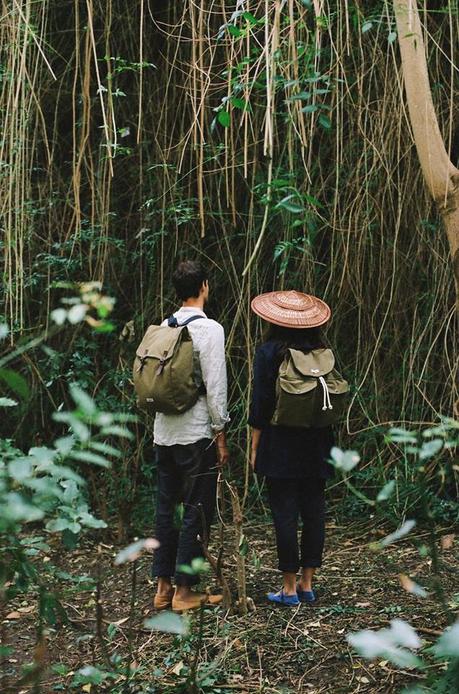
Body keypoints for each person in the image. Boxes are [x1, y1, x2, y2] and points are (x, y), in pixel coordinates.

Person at [152, 260, 230, 612]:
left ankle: (163, 587)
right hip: (197, 434)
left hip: (162, 433)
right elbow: (215, 388)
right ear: (204, 287)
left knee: (165, 508)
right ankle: (185, 591)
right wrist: (222, 434)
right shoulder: (210, 330)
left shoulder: (161, 328)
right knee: (197, 509)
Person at [249, 290, 335, 607]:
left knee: (284, 514)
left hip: (280, 443)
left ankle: (287, 588)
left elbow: (260, 404)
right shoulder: (323, 351)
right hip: (318, 443)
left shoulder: (269, 352)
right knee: (314, 512)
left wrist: (255, 446)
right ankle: (307, 583)